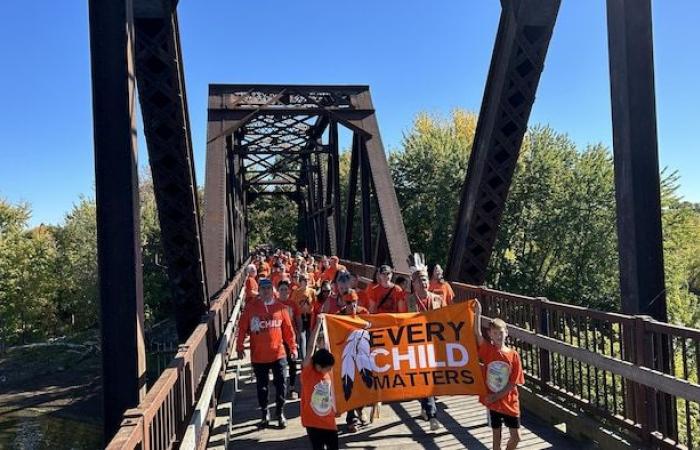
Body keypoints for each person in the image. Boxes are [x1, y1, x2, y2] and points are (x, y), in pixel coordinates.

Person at [236, 278, 297, 428]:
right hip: (259, 356)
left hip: (278, 353)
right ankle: (264, 413)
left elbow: (289, 331)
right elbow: (242, 327)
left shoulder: (281, 308)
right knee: (262, 387)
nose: (266, 291)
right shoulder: (251, 308)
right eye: (263, 288)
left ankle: (280, 412)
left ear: (273, 290)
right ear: (259, 291)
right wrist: (239, 346)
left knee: (281, 383)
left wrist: (293, 348)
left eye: (269, 288)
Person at [473, 300, 525, 450]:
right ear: (490, 334)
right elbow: (477, 334)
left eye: (501, 333)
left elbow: (514, 381)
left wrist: (498, 395)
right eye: (495, 333)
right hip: (492, 401)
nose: (498, 336)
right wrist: (478, 313)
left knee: (516, 437)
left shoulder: (514, 355)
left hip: (509, 400)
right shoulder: (488, 350)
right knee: (497, 438)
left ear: (506, 333)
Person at [406, 254, 445, 431]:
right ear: (413, 283)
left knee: (428, 380)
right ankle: (432, 415)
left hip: (433, 345)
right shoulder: (408, 301)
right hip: (415, 345)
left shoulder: (437, 299)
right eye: (420, 280)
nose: (423, 283)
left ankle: (424, 407)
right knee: (424, 378)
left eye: (425, 279)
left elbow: (447, 319)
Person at [301, 317, 338, 450]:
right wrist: (317, 324)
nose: (330, 370)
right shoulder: (308, 372)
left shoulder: (328, 373)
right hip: (312, 422)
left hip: (328, 420)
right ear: (317, 366)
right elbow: (310, 346)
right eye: (328, 368)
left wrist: (336, 408)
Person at [277, 280, 300, 399]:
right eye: (282, 289)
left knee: (292, 363)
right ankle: (281, 387)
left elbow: (298, 319)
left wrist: (299, 334)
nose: (284, 292)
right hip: (278, 339)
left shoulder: (293, 304)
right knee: (280, 364)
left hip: (291, 338)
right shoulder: (274, 304)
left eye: (286, 289)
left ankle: (291, 388)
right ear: (277, 291)